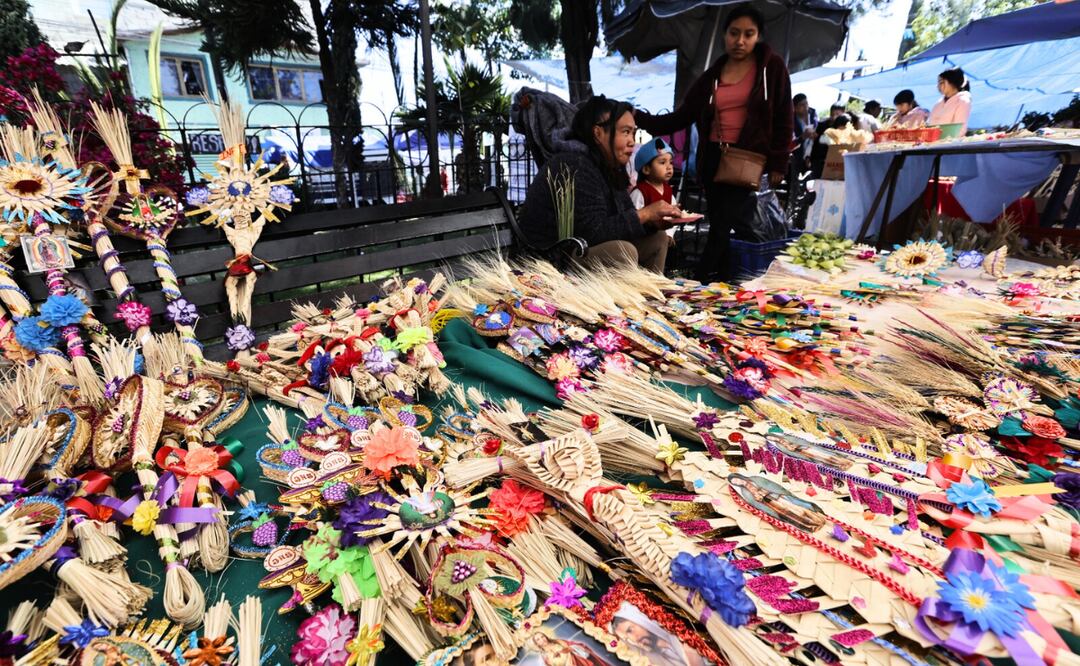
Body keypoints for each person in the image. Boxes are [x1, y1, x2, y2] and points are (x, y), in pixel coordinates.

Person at [634, 3, 793, 281]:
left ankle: (703, 281)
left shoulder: (772, 68)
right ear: (725, 35)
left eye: (748, 34)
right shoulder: (713, 75)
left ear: (758, 36)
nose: (740, 40)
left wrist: (779, 161)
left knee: (721, 228)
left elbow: (783, 115)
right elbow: (682, 116)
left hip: (747, 161)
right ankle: (723, 283)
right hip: (714, 161)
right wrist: (641, 119)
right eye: (734, 33)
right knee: (722, 224)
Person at [518, 95, 680, 273]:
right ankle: (617, 300)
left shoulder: (607, 166)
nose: (632, 141)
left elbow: (621, 219)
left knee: (658, 239)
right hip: (550, 259)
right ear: (598, 133)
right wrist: (644, 214)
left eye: (633, 133)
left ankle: (648, 298)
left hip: (581, 250)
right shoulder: (574, 165)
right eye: (625, 132)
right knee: (622, 251)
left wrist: (651, 223)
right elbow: (593, 233)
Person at [611, 603, 708, 666]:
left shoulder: (687, 640)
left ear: (643, 620)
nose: (633, 640)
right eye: (626, 639)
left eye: (630, 630)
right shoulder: (652, 660)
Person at [630, 137, 675, 210]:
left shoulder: (668, 190)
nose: (669, 167)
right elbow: (634, 218)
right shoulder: (640, 192)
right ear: (646, 169)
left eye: (671, 162)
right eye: (662, 162)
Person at [928, 67, 972, 134]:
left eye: (941, 82)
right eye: (938, 83)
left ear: (953, 83)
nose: (938, 86)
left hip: (950, 143)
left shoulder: (963, 101)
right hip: (933, 143)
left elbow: (959, 130)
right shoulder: (938, 104)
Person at [809, 103, 845, 178]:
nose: (834, 117)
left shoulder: (844, 127)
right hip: (818, 160)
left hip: (833, 162)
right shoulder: (822, 125)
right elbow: (815, 142)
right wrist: (809, 157)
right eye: (832, 114)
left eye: (837, 114)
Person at [792, 93, 818, 173]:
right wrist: (802, 137)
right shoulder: (792, 120)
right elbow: (791, 143)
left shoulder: (813, 114)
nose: (805, 107)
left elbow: (818, 129)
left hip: (813, 156)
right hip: (798, 158)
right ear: (795, 108)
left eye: (806, 103)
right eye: (801, 105)